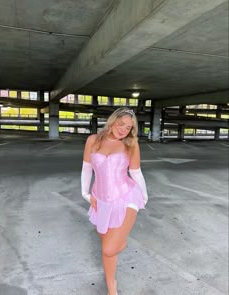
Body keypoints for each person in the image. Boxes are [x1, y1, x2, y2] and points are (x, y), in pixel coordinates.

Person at [81, 107, 148, 295]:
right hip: (100, 200)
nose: (123, 129)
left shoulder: (131, 144)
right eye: (121, 124)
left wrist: (144, 196)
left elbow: (135, 172)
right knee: (107, 247)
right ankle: (112, 287)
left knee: (110, 248)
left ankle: (120, 240)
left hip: (126, 197)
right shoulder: (93, 140)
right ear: (113, 121)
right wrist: (86, 194)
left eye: (128, 127)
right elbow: (87, 168)